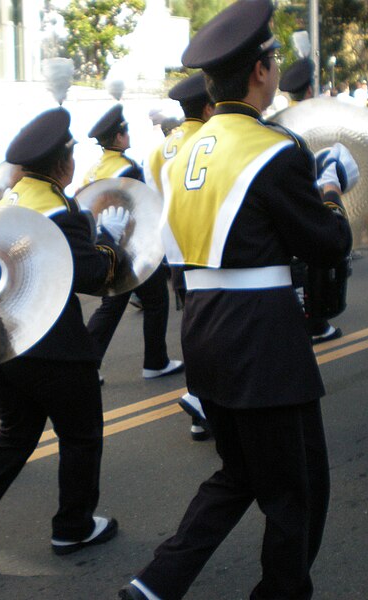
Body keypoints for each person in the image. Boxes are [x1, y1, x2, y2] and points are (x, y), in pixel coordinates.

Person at [118, 1, 355, 598]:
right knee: (298, 488)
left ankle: (156, 583)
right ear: (259, 71)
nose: (276, 67)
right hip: (263, 338)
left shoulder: (181, 152)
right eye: (274, 58)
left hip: (204, 330)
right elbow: (328, 244)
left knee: (241, 473)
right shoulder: (275, 149)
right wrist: (329, 190)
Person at [0, 107, 124, 564]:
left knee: (14, 431)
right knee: (81, 434)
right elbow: (90, 276)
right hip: (54, 346)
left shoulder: (9, 201)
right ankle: (73, 526)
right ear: (64, 163)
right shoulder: (59, 209)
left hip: (2, 344)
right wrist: (108, 241)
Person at [83, 104, 184, 382]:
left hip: (104, 244)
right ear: (117, 138)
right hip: (130, 248)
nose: (128, 135)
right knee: (152, 300)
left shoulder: (92, 170)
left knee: (118, 303)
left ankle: (89, 365)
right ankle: (154, 362)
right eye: (125, 131)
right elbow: (140, 207)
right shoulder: (126, 167)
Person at [145, 72, 215, 441]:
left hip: (173, 248)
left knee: (193, 323)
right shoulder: (211, 139)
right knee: (216, 325)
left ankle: (199, 404)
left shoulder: (161, 147)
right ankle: (204, 400)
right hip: (205, 244)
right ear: (207, 106)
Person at [279, 57, 345, 347]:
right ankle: (317, 320)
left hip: (287, 199)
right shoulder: (321, 119)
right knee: (319, 257)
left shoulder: (278, 120)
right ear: (309, 90)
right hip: (315, 193)